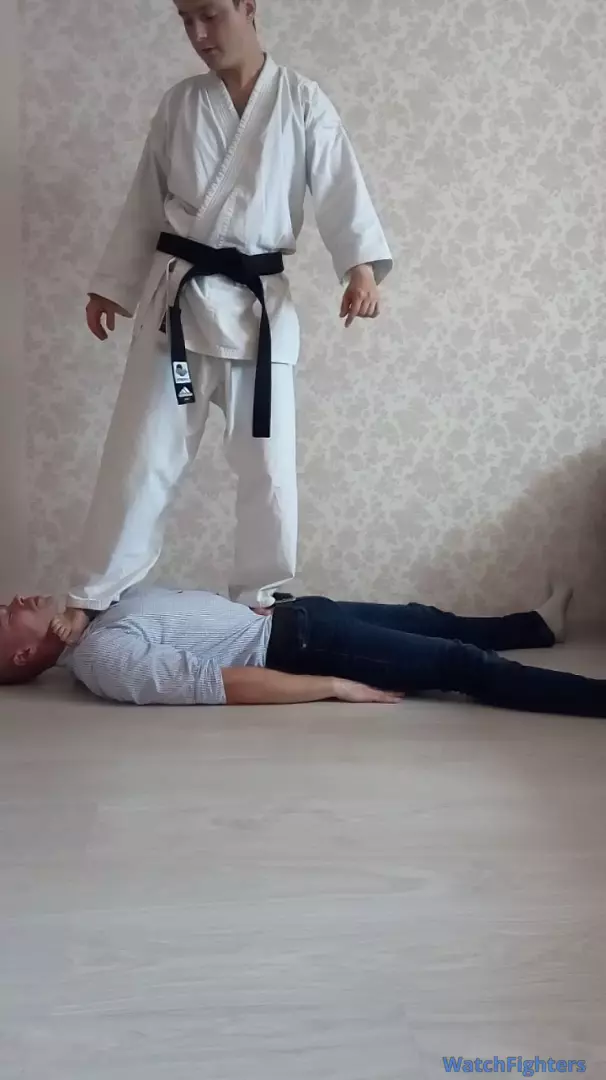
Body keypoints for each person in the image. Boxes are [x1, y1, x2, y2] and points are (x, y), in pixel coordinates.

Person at [55, 0, 392, 643]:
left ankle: (260, 599)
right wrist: (112, 287)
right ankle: (94, 594)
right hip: (176, 308)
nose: (198, 34)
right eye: (186, 20)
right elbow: (145, 200)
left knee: (268, 468)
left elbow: (340, 187)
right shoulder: (180, 104)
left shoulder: (301, 100)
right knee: (139, 457)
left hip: (258, 311)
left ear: (248, 7)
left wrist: (361, 269)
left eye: (210, 15)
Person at [5, 582, 606, 720]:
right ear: (21, 658)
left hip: (295, 615)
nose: (14, 600)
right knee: (460, 664)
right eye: (6, 617)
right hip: (302, 645)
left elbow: (193, 620)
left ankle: (537, 627)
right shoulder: (103, 658)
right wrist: (332, 686)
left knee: (427, 618)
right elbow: (217, 685)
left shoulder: (95, 611)